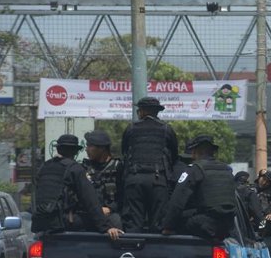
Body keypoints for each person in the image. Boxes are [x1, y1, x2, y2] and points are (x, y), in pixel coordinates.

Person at [31, 134, 122, 240]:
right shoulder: (74, 169)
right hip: (62, 222)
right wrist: (106, 227)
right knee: (113, 220)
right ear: (75, 151)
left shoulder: (44, 167)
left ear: (58, 149)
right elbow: (90, 201)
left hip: (40, 222)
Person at [121, 96, 178, 233]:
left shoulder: (131, 129)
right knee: (158, 223)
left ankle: (132, 252)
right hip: (158, 180)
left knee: (134, 223)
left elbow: (124, 152)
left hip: (134, 179)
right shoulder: (166, 129)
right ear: (156, 112)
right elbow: (174, 156)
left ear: (141, 112)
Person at [162, 135, 236, 239]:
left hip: (205, 225)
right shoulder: (227, 170)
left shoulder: (195, 169)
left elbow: (177, 201)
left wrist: (167, 226)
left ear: (195, 152)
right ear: (213, 152)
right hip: (228, 226)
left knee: (178, 219)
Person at [82, 130, 123, 229]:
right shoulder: (84, 167)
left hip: (110, 213)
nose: (87, 150)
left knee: (116, 222)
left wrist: (110, 208)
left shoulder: (118, 167)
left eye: (90, 146)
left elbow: (125, 195)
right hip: (89, 213)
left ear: (102, 148)